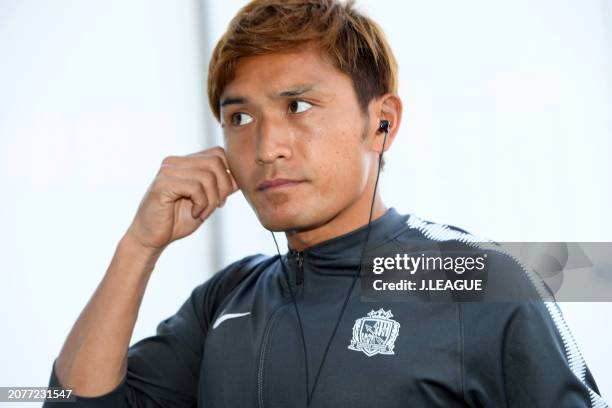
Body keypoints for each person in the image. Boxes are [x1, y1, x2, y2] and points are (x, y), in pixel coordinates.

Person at [44, 0, 608, 407]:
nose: (267, 148)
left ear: (381, 123)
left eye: (298, 106)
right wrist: (139, 246)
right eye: (240, 118)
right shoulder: (226, 299)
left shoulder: (474, 277)